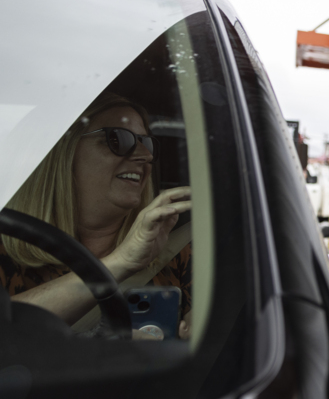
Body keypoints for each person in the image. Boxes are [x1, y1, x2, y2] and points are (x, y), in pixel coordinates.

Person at [0, 92, 192, 337]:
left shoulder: (177, 247)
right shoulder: (6, 245)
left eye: (148, 142)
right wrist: (121, 262)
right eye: (119, 139)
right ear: (61, 151)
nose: (146, 155)